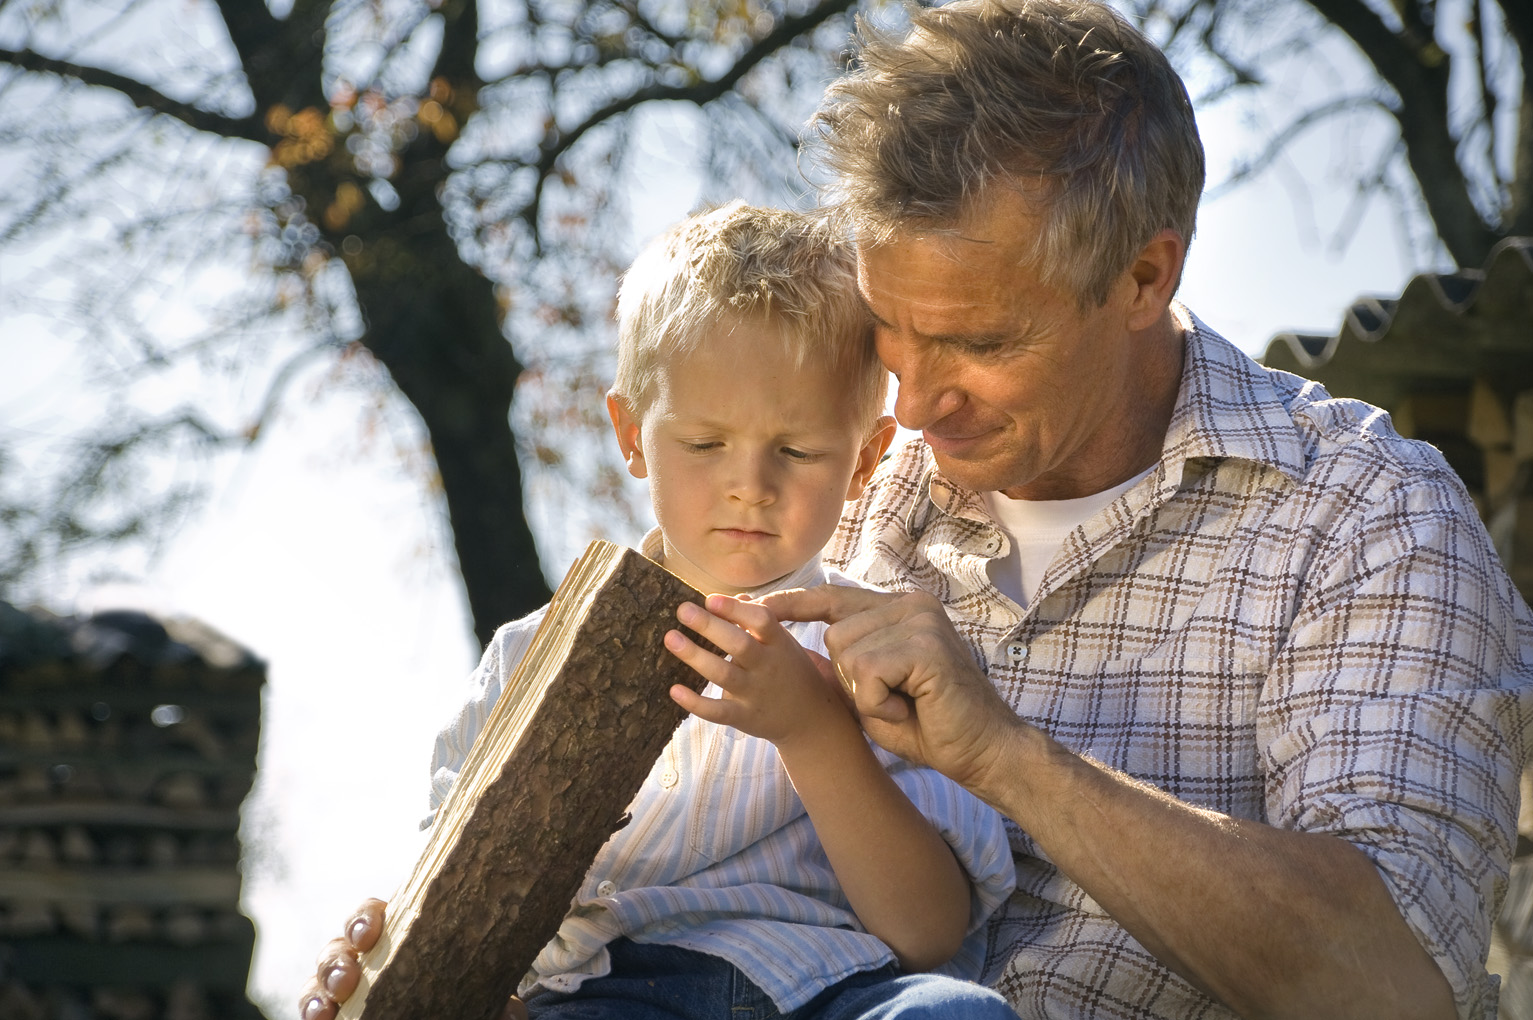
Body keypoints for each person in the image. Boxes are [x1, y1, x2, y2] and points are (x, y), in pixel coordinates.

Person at [753, 2, 1533, 1019]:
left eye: (980, 344)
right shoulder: (840, 497)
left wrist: (1002, 756)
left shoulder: (1364, 514)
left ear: (1140, 275)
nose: (910, 405)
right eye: (890, 332)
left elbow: (1390, 985)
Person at [298, 202, 1017, 1020]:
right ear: (632, 433)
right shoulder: (526, 659)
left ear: (865, 459)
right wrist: (404, 955)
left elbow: (926, 931)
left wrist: (815, 728)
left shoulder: (880, 651)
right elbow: (451, 887)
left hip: (825, 989)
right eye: (705, 444)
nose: (750, 483)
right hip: (594, 999)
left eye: (798, 450)